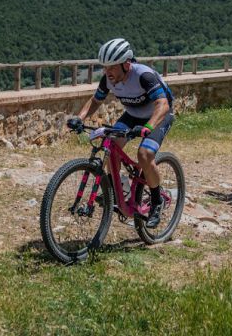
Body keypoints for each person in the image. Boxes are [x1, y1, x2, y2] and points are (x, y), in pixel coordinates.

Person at [67, 38, 174, 228]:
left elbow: (162, 104)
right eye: (105, 68)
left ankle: (157, 202)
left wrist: (148, 127)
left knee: (145, 154)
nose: (107, 72)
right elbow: (96, 100)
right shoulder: (108, 79)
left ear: (126, 64)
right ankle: (119, 192)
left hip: (158, 116)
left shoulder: (144, 76)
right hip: (132, 115)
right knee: (110, 149)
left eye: (112, 67)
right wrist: (80, 118)